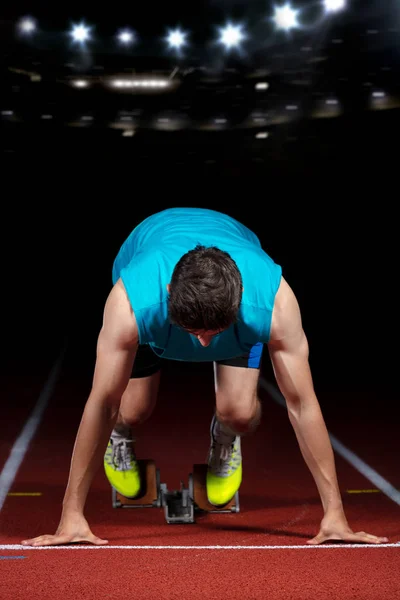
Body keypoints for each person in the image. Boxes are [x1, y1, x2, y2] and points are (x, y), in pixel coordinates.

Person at [22, 207, 388, 547]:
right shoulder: (133, 302)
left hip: (225, 310)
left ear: (239, 299)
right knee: (129, 410)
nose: (202, 344)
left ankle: (224, 438)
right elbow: (101, 403)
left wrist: (335, 514)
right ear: (168, 295)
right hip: (159, 300)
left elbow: (302, 404)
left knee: (240, 414)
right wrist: (70, 516)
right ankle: (122, 436)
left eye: (213, 333)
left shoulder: (271, 302)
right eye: (193, 332)